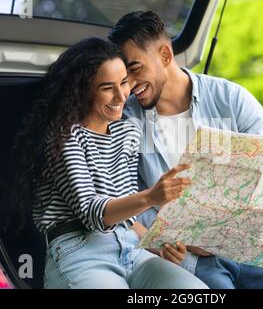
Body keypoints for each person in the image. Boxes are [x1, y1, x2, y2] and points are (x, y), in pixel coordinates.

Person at [108, 11, 263, 289]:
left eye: (135, 68)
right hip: (189, 264)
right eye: (122, 75)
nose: (128, 85)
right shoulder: (126, 122)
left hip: (252, 258)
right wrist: (155, 247)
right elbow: (120, 208)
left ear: (165, 55)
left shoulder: (231, 100)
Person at [13, 37, 208, 289]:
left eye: (124, 82)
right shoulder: (64, 138)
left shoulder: (127, 133)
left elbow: (124, 217)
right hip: (80, 252)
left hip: (131, 249)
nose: (121, 95)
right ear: (82, 91)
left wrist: (157, 244)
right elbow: (93, 214)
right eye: (107, 87)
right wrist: (151, 197)